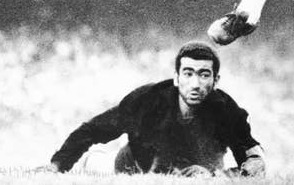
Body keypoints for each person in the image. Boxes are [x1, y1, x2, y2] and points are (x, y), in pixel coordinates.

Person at [43, 41, 265, 176]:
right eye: (188, 73)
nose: (195, 83)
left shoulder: (227, 111)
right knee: (101, 165)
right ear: (176, 78)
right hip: (134, 166)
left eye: (204, 74)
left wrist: (234, 171)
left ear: (216, 79)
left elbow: (252, 157)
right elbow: (93, 130)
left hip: (196, 171)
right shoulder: (148, 100)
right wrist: (57, 165)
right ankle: (95, 160)